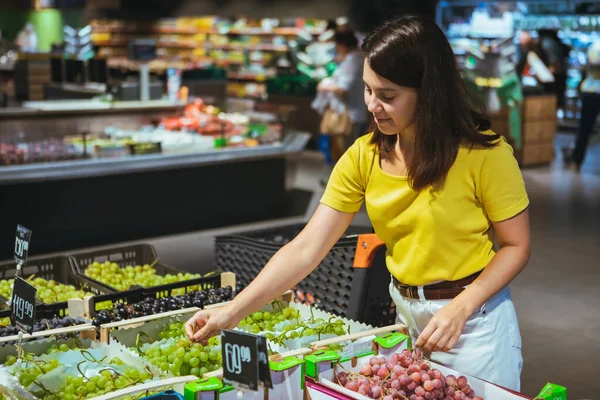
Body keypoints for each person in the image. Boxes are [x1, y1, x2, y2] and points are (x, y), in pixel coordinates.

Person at [186, 16, 530, 391]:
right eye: (368, 90)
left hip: (475, 322)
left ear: (429, 91)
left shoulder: (483, 154)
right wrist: (230, 312)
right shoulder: (363, 156)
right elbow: (305, 249)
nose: (373, 105)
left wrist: (462, 307)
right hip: (407, 320)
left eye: (388, 95)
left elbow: (517, 245)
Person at [312, 29, 367, 168]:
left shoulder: (353, 60)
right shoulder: (355, 58)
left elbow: (342, 88)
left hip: (349, 114)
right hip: (352, 112)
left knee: (345, 153)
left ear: (341, 45)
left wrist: (324, 87)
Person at [563, 38, 600, 171]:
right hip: (593, 91)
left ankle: (576, 160)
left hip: (589, 90)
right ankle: (576, 159)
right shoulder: (596, 47)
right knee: (585, 128)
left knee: (584, 128)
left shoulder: (593, 46)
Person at [538, 29, 570, 110]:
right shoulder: (552, 41)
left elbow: (555, 64)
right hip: (560, 75)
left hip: (556, 77)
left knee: (554, 101)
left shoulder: (547, 42)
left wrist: (543, 75)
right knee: (557, 100)